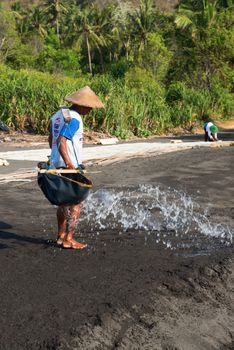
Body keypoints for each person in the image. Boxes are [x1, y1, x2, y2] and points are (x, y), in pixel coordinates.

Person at [48, 86, 104, 249]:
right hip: (68, 165)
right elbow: (61, 141)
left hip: (56, 164)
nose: (91, 109)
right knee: (76, 203)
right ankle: (69, 238)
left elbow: (51, 137)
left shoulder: (57, 115)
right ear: (81, 105)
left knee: (63, 203)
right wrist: (70, 164)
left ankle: (60, 236)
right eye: (89, 106)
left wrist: (55, 157)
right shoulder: (75, 118)